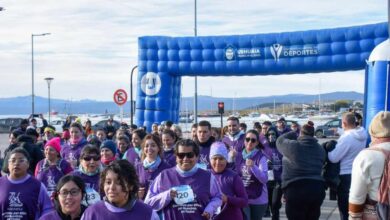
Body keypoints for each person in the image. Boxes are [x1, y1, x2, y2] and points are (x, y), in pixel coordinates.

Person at [144, 139, 222, 220]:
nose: (185, 158)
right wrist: (167, 195)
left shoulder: (208, 176)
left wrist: (210, 209)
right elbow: (148, 203)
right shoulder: (164, 176)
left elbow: (218, 197)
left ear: (197, 156)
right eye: (181, 155)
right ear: (176, 157)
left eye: (190, 155)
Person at [276, 122, 326, 220]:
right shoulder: (320, 149)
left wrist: (293, 132)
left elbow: (279, 141)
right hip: (316, 188)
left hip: (296, 189)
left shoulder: (293, 146)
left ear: (300, 133)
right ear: (313, 134)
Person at [81, 160, 159, 220]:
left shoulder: (147, 214)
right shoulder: (92, 213)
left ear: (131, 185)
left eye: (118, 183)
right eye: (108, 182)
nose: (112, 187)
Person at [349, 111, 390, 218]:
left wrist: (354, 217)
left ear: (373, 132)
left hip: (377, 213)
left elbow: (357, 196)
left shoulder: (367, 156)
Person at [328, 112, 368, 220]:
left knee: (345, 209)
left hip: (345, 176)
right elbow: (351, 134)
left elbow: (334, 158)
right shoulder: (363, 134)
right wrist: (341, 132)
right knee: (356, 208)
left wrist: (328, 150)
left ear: (344, 123)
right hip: (359, 173)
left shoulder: (346, 138)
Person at [0, 147, 52, 219]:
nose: (16, 163)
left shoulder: (37, 185)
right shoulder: (1, 183)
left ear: (28, 164)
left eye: (21, 160)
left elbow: (48, 210)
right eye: (13, 160)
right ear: (8, 165)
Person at [209, 142, 248, 220]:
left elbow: (244, 201)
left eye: (221, 159)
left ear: (226, 159)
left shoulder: (233, 177)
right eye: (215, 158)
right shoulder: (205, 175)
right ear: (210, 159)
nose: (217, 162)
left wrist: (227, 199)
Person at [235, 129, 268, 220]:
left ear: (257, 143)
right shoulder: (238, 156)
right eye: (247, 139)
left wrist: (254, 167)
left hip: (258, 199)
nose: (250, 142)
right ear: (244, 140)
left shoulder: (261, 157)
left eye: (253, 140)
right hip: (243, 197)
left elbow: (264, 179)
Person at [135, 134, 170, 200]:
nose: (149, 148)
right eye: (146, 146)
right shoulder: (138, 167)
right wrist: (136, 193)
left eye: (153, 146)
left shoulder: (166, 168)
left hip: (159, 207)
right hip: (143, 205)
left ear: (158, 148)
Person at [264, 127, 283, 220]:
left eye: (273, 134)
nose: (271, 136)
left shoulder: (281, 147)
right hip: (266, 180)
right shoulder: (263, 147)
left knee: (275, 204)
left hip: (278, 180)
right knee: (268, 203)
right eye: (269, 134)